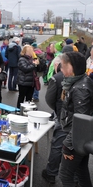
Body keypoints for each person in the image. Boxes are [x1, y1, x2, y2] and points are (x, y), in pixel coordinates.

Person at [58, 52, 93, 187]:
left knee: (65, 175)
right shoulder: (81, 80)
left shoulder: (80, 88)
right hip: (79, 139)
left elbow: (81, 122)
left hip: (76, 140)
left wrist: (68, 146)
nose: (61, 69)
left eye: (64, 66)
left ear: (73, 67)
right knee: (81, 171)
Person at [42, 55, 66, 184]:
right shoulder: (84, 78)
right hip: (79, 117)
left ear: (57, 65)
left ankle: (51, 173)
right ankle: (75, 177)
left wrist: (56, 110)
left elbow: (49, 99)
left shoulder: (56, 78)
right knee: (75, 146)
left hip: (62, 116)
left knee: (57, 145)